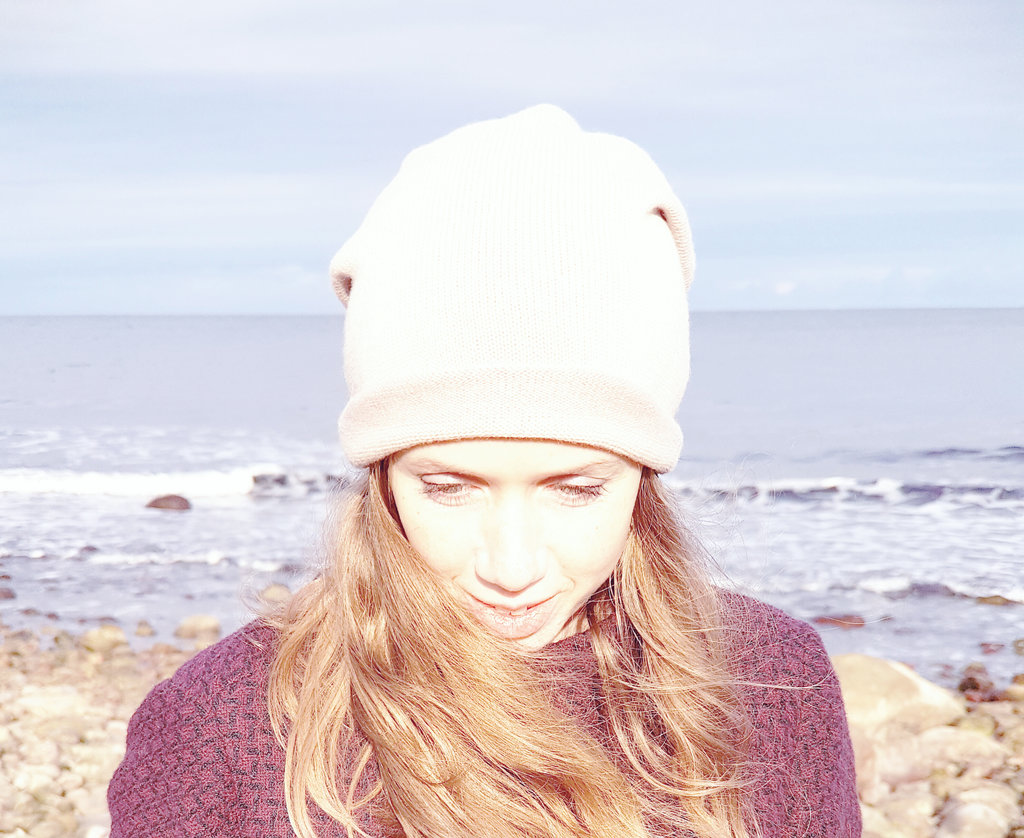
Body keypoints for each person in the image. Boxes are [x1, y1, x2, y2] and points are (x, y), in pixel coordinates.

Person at [108, 105, 860, 837]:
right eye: (448, 488)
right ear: (383, 476)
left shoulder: (771, 684)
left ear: (644, 476)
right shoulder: (219, 726)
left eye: (576, 491)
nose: (511, 566)